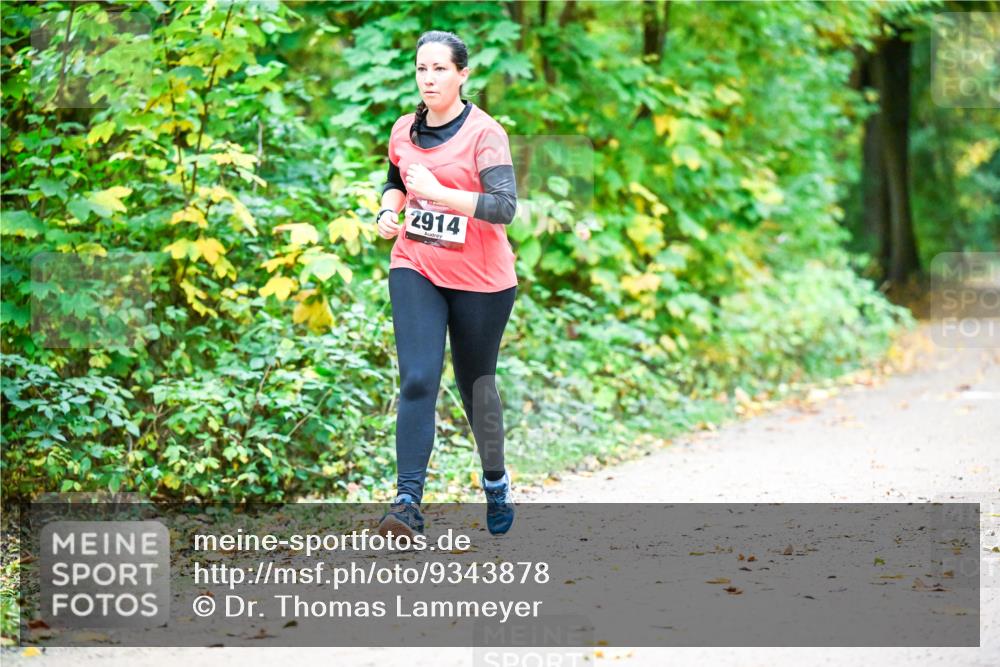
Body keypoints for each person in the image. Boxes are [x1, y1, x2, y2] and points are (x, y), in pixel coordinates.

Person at [373, 30, 519, 539]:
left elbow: (504, 207)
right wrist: (388, 212)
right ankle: (407, 501)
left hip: (481, 279)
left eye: (439, 69)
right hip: (416, 263)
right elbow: (395, 180)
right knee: (417, 378)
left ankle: (495, 479)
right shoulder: (403, 130)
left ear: (462, 74)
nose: (428, 78)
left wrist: (440, 193)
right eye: (421, 69)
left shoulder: (485, 134)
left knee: (475, 388)